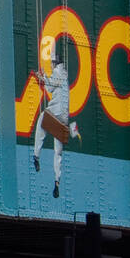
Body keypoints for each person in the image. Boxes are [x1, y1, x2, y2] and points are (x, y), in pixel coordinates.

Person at [32, 46, 81, 198]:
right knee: (58, 151)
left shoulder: (58, 71)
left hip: (56, 111)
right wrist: (44, 77)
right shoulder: (63, 74)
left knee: (41, 120)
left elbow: (49, 87)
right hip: (64, 117)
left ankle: (36, 155)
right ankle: (57, 181)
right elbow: (51, 85)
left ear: (55, 63)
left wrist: (42, 76)